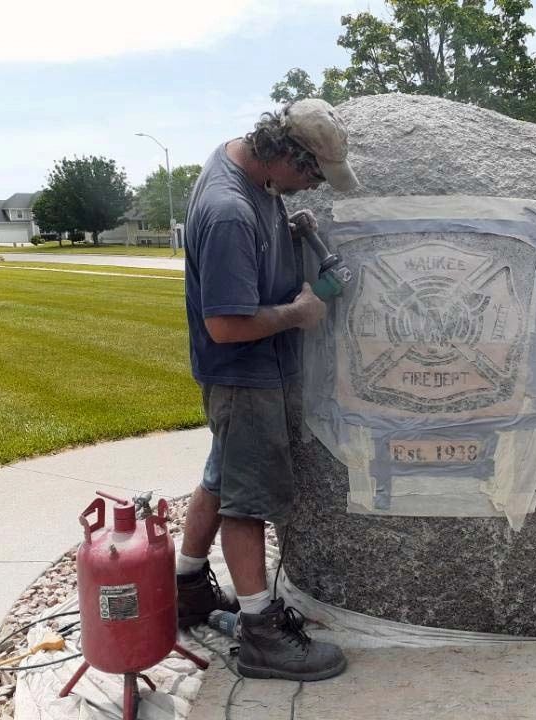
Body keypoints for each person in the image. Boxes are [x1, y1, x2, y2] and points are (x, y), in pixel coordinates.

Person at [176, 99, 359, 681]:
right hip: (245, 376)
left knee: (221, 476)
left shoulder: (253, 175)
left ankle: (185, 587)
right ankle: (260, 634)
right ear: (283, 155)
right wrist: (299, 312)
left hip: (252, 376)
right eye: (309, 175)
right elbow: (224, 325)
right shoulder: (230, 210)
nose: (308, 189)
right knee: (247, 501)